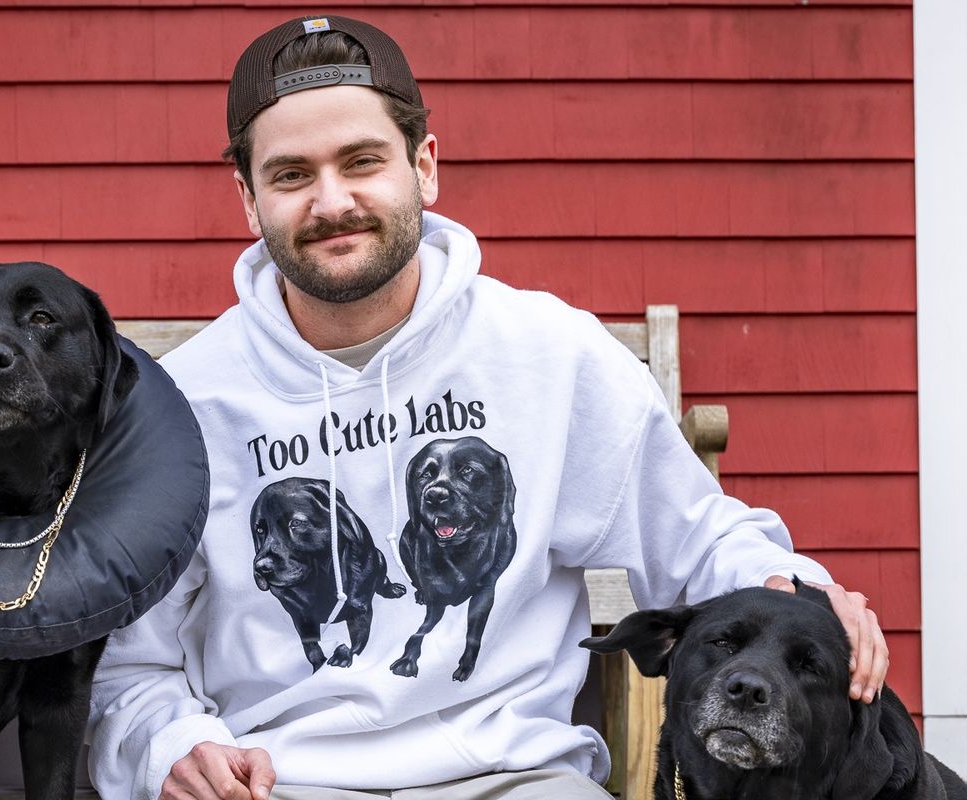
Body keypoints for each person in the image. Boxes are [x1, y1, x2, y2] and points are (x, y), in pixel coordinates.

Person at [86, 15, 888, 800]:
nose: (332, 202)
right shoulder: (185, 402)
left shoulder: (550, 357)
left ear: (424, 166)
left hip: (516, 775)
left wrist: (798, 593)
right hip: (277, 780)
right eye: (292, 174)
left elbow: (702, 539)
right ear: (248, 198)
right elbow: (127, 664)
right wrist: (169, 745)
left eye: (362, 161)